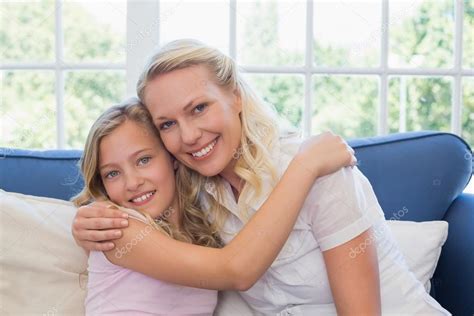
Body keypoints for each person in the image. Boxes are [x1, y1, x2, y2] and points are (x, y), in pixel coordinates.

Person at [72, 40, 451, 315]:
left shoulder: (321, 172)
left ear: (235, 97)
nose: (188, 136)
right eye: (168, 124)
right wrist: (85, 219)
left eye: (200, 108)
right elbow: (231, 268)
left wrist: (305, 168)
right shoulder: (196, 194)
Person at [73, 97, 356, 315]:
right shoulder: (120, 229)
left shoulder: (205, 219)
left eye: (143, 160)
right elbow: (235, 270)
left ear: (172, 156)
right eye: (112, 173)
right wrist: (305, 167)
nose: (132, 182)